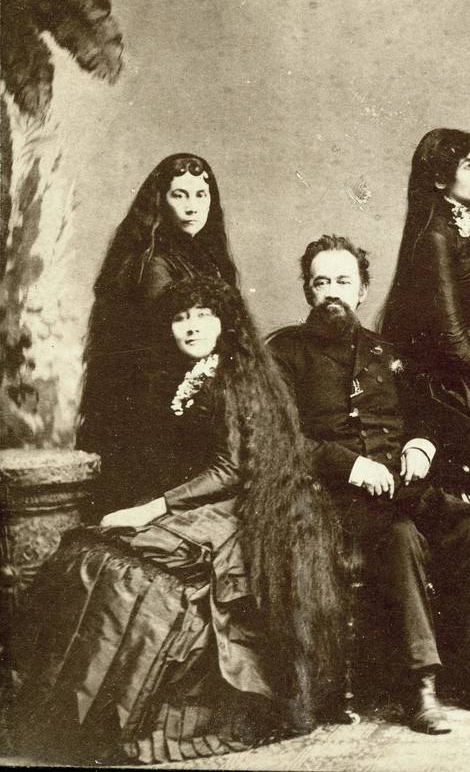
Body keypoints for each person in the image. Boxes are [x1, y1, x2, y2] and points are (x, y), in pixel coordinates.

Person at [14, 277, 344, 764]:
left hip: (256, 509)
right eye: (180, 317)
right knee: (95, 552)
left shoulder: (237, 376)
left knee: (144, 581)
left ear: (225, 321)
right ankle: (63, 715)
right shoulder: (192, 374)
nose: (190, 327)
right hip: (210, 502)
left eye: (202, 315)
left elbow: (231, 469)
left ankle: (121, 718)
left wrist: (152, 509)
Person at [268, 234, 470, 735]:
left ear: (363, 289)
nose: (332, 292)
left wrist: (420, 446)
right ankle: (421, 686)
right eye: (322, 283)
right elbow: (279, 440)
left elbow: (424, 416)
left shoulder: (386, 351)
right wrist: (349, 465)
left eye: (344, 281)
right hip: (330, 500)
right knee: (400, 535)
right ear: (307, 291)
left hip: (399, 490)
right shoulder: (285, 353)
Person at [78, 153, 240, 512]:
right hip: (160, 409)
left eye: (201, 195)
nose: (192, 206)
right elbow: (171, 345)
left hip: (199, 395)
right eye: (179, 195)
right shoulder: (155, 262)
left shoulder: (204, 256)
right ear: (160, 200)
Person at [379, 129, 470, 503]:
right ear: (438, 179)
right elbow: (448, 331)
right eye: (467, 165)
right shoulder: (435, 234)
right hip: (458, 382)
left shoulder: (465, 224)